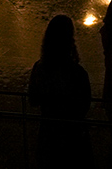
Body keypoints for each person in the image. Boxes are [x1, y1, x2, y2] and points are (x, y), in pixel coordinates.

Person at [28, 15, 93, 169]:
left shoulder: (39, 68)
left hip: (48, 132)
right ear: (71, 40)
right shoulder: (77, 72)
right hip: (73, 135)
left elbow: (33, 99)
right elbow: (85, 105)